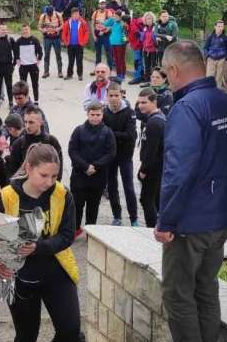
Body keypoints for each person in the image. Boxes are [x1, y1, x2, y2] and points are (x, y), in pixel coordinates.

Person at [142, 40, 227, 342]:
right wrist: (218, 196)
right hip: (220, 216)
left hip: (189, 222)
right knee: (206, 286)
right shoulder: (226, 102)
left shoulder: (186, 108)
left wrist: (166, 220)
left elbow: (178, 171)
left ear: (173, 70)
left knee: (178, 290)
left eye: (166, 73)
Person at [0, 143, 80, 342]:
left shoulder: (62, 195)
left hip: (56, 271)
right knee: (26, 333)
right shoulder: (7, 196)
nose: (49, 182)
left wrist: (38, 247)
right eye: (44, 175)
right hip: (19, 276)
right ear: (28, 169)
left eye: (54, 176)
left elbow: (66, 236)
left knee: (70, 326)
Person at [68, 102, 116, 234]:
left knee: (93, 207)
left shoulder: (107, 132)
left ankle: (90, 230)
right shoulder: (79, 130)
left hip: (98, 176)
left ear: (102, 114)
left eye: (98, 115)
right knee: (77, 205)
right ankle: (75, 229)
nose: (95, 117)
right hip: (79, 175)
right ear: (87, 114)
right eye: (92, 114)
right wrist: (85, 166)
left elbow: (111, 153)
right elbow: (72, 151)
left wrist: (95, 166)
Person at [104, 82, 139, 227]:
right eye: (110, 96)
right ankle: (117, 216)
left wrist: (111, 134)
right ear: (107, 96)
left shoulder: (129, 112)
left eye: (116, 95)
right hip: (110, 156)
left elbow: (131, 135)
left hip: (125, 155)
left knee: (128, 187)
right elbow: (102, 133)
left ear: (121, 95)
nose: (113, 98)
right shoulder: (105, 112)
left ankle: (134, 218)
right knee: (112, 186)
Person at [5, 105, 63, 181]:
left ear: (41, 122)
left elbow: (59, 168)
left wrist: (52, 186)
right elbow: (12, 171)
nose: (27, 126)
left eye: (31, 122)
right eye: (25, 122)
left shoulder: (52, 141)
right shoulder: (18, 144)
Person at [136, 88, 166, 227]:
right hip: (159, 167)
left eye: (144, 102)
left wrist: (143, 170)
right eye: (139, 102)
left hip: (154, 168)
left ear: (154, 102)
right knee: (155, 200)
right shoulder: (157, 118)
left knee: (147, 200)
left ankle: (152, 229)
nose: (140, 105)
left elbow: (151, 151)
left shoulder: (154, 123)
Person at [14, 24, 43, 102]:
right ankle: (25, 100)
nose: (25, 31)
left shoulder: (35, 40)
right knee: (23, 86)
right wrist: (17, 60)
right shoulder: (18, 41)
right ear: (22, 31)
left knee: (35, 84)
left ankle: (36, 101)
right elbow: (15, 52)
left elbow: (40, 51)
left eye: (26, 29)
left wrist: (39, 60)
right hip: (23, 66)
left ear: (29, 30)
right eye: (23, 30)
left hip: (33, 65)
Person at [61, 7, 90, 81]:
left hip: (79, 45)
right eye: (75, 14)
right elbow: (64, 32)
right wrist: (65, 41)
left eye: (78, 14)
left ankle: (80, 75)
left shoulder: (82, 22)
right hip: (70, 45)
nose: (77, 15)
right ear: (72, 14)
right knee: (71, 61)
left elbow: (86, 32)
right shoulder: (68, 22)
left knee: (79, 61)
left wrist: (84, 42)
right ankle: (69, 75)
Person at [203, 20, 227, 91]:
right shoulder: (210, 36)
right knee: (209, 76)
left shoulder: (226, 37)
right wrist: (207, 56)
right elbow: (205, 47)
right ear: (215, 27)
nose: (220, 28)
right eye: (218, 26)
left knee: (219, 77)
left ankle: (217, 92)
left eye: (222, 26)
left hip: (221, 59)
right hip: (211, 59)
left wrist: (226, 58)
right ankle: (208, 91)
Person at [39, 5, 63, 78]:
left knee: (58, 55)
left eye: (51, 14)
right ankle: (46, 72)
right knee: (46, 55)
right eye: (48, 14)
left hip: (56, 38)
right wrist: (43, 30)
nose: (49, 15)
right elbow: (39, 26)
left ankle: (60, 72)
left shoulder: (58, 15)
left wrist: (58, 29)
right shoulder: (43, 16)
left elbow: (62, 24)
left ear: (53, 11)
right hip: (47, 38)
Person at [92, 0, 116, 72]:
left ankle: (110, 70)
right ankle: (97, 70)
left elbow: (112, 25)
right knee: (98, 53)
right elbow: (92, 25)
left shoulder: (108, 13)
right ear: (99, 5)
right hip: (97, 34)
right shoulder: (95, 13)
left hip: (106, 35)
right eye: (101, 4)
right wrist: (94, 35)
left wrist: (105, 31)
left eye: (104, 4)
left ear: (105, 5)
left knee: (108, 52)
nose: (102, 5)